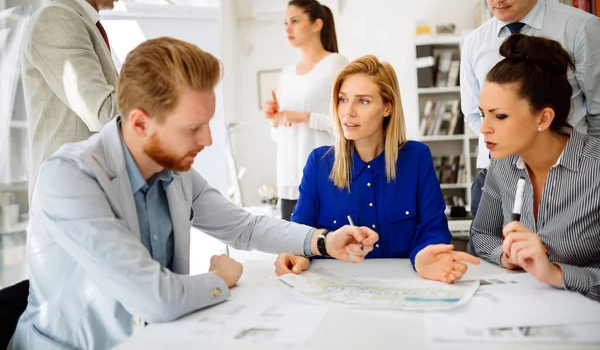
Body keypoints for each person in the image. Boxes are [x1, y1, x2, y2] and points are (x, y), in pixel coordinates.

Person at [9, 38, 379, 349]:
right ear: (140, 122)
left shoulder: (174, 171)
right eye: (194, 128)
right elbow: (155, 298)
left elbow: (244, 227)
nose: (208, 140)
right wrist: (219, 279)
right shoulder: (69, 177)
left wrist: (322, 241)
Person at [274, 55, 479, 283]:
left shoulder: (416, 158)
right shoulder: (319, 163)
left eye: (362, 101)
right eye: (343, 99)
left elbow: (433, 228)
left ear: (387, 107)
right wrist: (297, 254)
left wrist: (425, 256)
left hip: (406, 288)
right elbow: (300, 233)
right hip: (340, 291)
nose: (347, 112)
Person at [460, 0, 600, 229]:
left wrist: (588, 169)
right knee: (493, 259)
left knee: (562, 263)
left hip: (568, 177)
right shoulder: (475, 43)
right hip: (493, 178)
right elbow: (473, 115)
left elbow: (598, 113)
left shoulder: (581, 28)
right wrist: (509, 144)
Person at [471, 34, 600, 302]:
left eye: (500, 116)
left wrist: (555, 273)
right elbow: (482, 235)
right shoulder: (502, 164)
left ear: (543, 118)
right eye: (483, 114)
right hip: (523, 307)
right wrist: (506, 255)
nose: (484, 127)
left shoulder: (595, 169)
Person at [21, 0, 129, 199]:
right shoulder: (56, 19)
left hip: (87, 197)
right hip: (67, 203)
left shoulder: (83, 24)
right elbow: (105, 113)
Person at [262, 0, 349, 221]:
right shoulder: (287, 73)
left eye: (294, 21)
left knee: (331, 251)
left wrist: (303, 117)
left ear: (317, 24)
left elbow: (347, 123)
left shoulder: (336, 64)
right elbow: (280, 136)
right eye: (285, 23)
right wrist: (275, 120)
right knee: (292, 253)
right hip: (289, 181)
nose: (287, 28)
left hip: (325, 177)